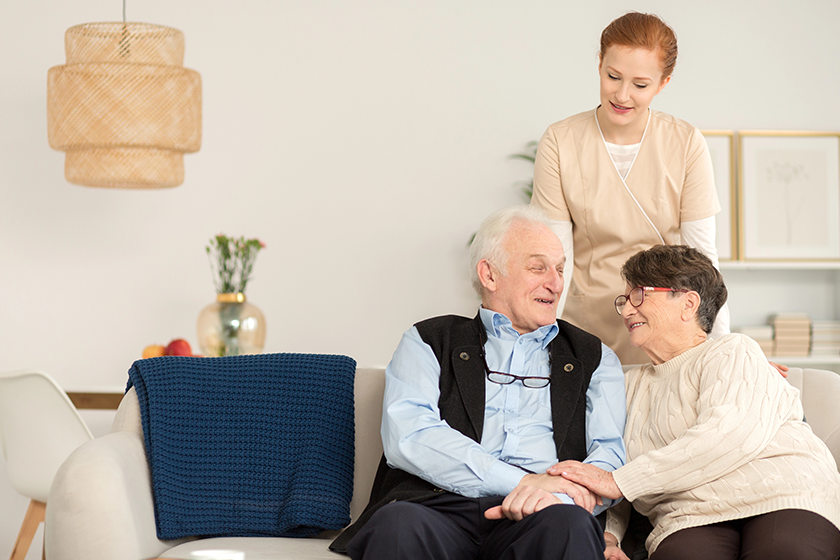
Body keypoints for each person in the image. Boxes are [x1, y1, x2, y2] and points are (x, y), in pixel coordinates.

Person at [330, 205, 627, 559]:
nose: (556, 282)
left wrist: (552, 497)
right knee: (397, 525)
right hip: (438, 507)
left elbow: (608, 460)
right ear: (489, 275)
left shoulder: (594, 357)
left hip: (543, 513)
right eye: (538, 267)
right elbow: (409, 436)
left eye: (560, 269)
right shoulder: (428, 340)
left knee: (570, 527)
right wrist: (520, 481)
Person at [553, 244, 840, 560]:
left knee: (786, 553)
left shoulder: (733, 350)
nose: (627, 310)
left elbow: (729, 434)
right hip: (688, 513)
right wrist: (608, 539)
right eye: (624, 301)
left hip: (783, 492)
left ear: (688, 303)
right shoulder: (626, 385)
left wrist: (618, 482)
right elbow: (616, 470)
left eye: (639, 295)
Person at [530, 11, 730, 365]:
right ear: (600, 65)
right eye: (612, 76)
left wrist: (722, 350)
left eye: (640, 85)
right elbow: (554, 256)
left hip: (666, 325)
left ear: (663, 83)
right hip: (586, 321)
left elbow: (703, 258)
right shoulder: (560, 141)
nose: (622, 95)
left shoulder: (685, 142)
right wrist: (538, 340)